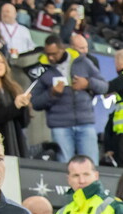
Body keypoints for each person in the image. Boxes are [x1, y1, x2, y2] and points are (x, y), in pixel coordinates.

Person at [31, 34, 108, 164]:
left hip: (85, 122)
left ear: (63, 49)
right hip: (60, 126)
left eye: (54, 54)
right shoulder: (42, 69)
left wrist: (88, 83)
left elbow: (104, 86)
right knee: (64, 167)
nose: (50, 57)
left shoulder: (82, 61)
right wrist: (52, 93)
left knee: (91, 164)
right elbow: (35, 102)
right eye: (48, 54)